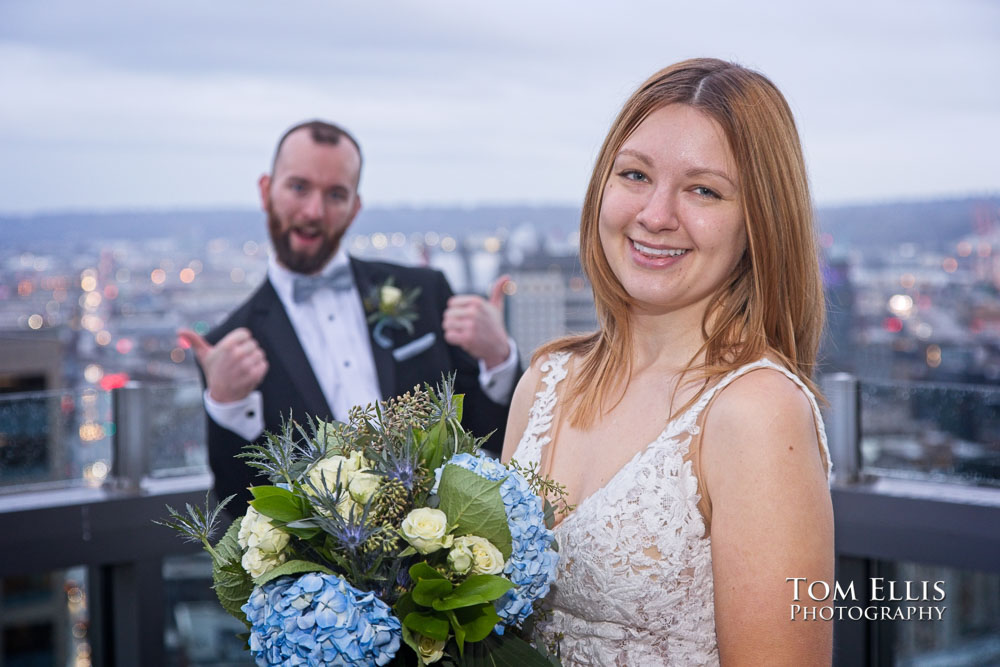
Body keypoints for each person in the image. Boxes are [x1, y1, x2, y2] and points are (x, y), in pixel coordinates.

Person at [502, 59, 834, 665]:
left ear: (758, 224)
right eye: (635, 175)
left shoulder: (757, 413)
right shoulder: (545, 382)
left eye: (704, 190)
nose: (655, 215)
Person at [181, 120, 518, 508]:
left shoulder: (423, 292)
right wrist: (227, 403)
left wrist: (498, 357)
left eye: (336, 194)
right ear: (265, 191)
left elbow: (494, 434)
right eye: (299, 187)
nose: (314, 211)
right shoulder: (230, 344)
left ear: (355, 207)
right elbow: (239, 505)